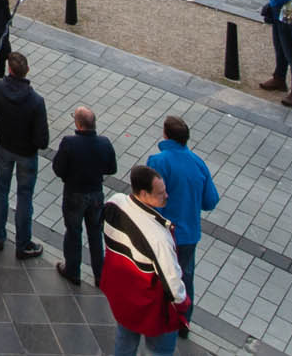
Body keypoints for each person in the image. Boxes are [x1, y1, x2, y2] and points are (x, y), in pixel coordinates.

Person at [97, 165, 189, 355]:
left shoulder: (115, 203)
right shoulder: (158, 237)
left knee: (125, 341)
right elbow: (172, 280)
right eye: (160, 193)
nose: (167, 195)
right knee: (159, 350)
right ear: (144, 194)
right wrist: (182, 304)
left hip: (123, 295)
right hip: (150, 306)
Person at [144, 116, 217, 311]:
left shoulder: (158, 161)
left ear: (166, 135)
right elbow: (210, 201)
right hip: (189, 234)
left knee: (159, 274)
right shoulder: (198, 163)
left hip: (165, 233)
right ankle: (184, 318)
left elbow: (149, 201)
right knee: (185, 277)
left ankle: (160, 316)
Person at [0, 49, 48, 259]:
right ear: (27, 71)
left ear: (9, 69)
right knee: (24, 196)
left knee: (1, 190)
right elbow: (42, 140)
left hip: (3, 146)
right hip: (26, 154)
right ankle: (23, 243)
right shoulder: (36, 101)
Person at [52, 105, 118, 286]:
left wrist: (68, 176)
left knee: (73, 232)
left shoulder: (69, 142)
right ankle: (100, 275)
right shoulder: (104, 143)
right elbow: (112, 168)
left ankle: (73, 271)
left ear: (79, 125)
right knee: (95, 233)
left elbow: (58, 168)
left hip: (74, 193)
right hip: (96, 194)